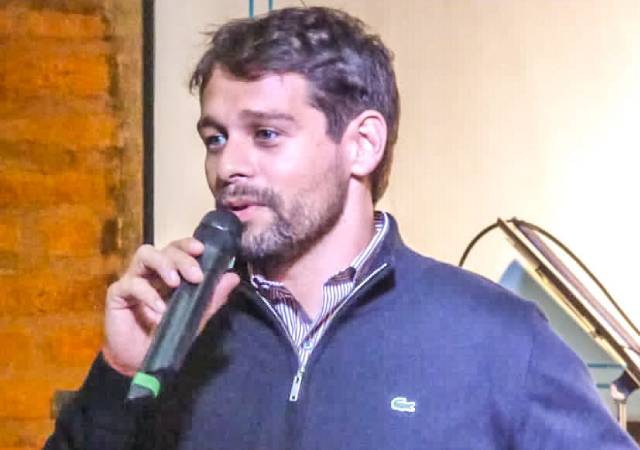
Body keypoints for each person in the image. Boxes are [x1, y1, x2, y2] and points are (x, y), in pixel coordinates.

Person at [45, 6, 638, 450]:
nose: (228, 166)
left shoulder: (497, 337)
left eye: (266, 134)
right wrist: (119, 375)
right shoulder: (178, 334)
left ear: (362, 144)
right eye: (216, 138)